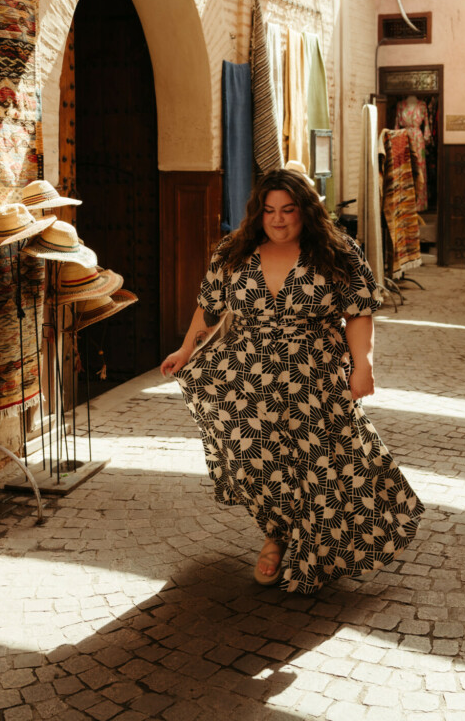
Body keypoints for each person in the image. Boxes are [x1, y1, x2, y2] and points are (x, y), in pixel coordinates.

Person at [161, 167, 424, 593]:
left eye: (288, 210)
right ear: (257, 214)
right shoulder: (233, 251)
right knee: (258, 461)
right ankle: (276, 527)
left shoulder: (338, 252)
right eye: (268, 211)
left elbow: (358, 313)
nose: (278, 219)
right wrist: (185, 350)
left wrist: (364, 366)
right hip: (244, 377)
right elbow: (208, 309)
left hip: (314, 375)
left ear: (306, 211)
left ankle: (289, 545)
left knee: (318, 463)